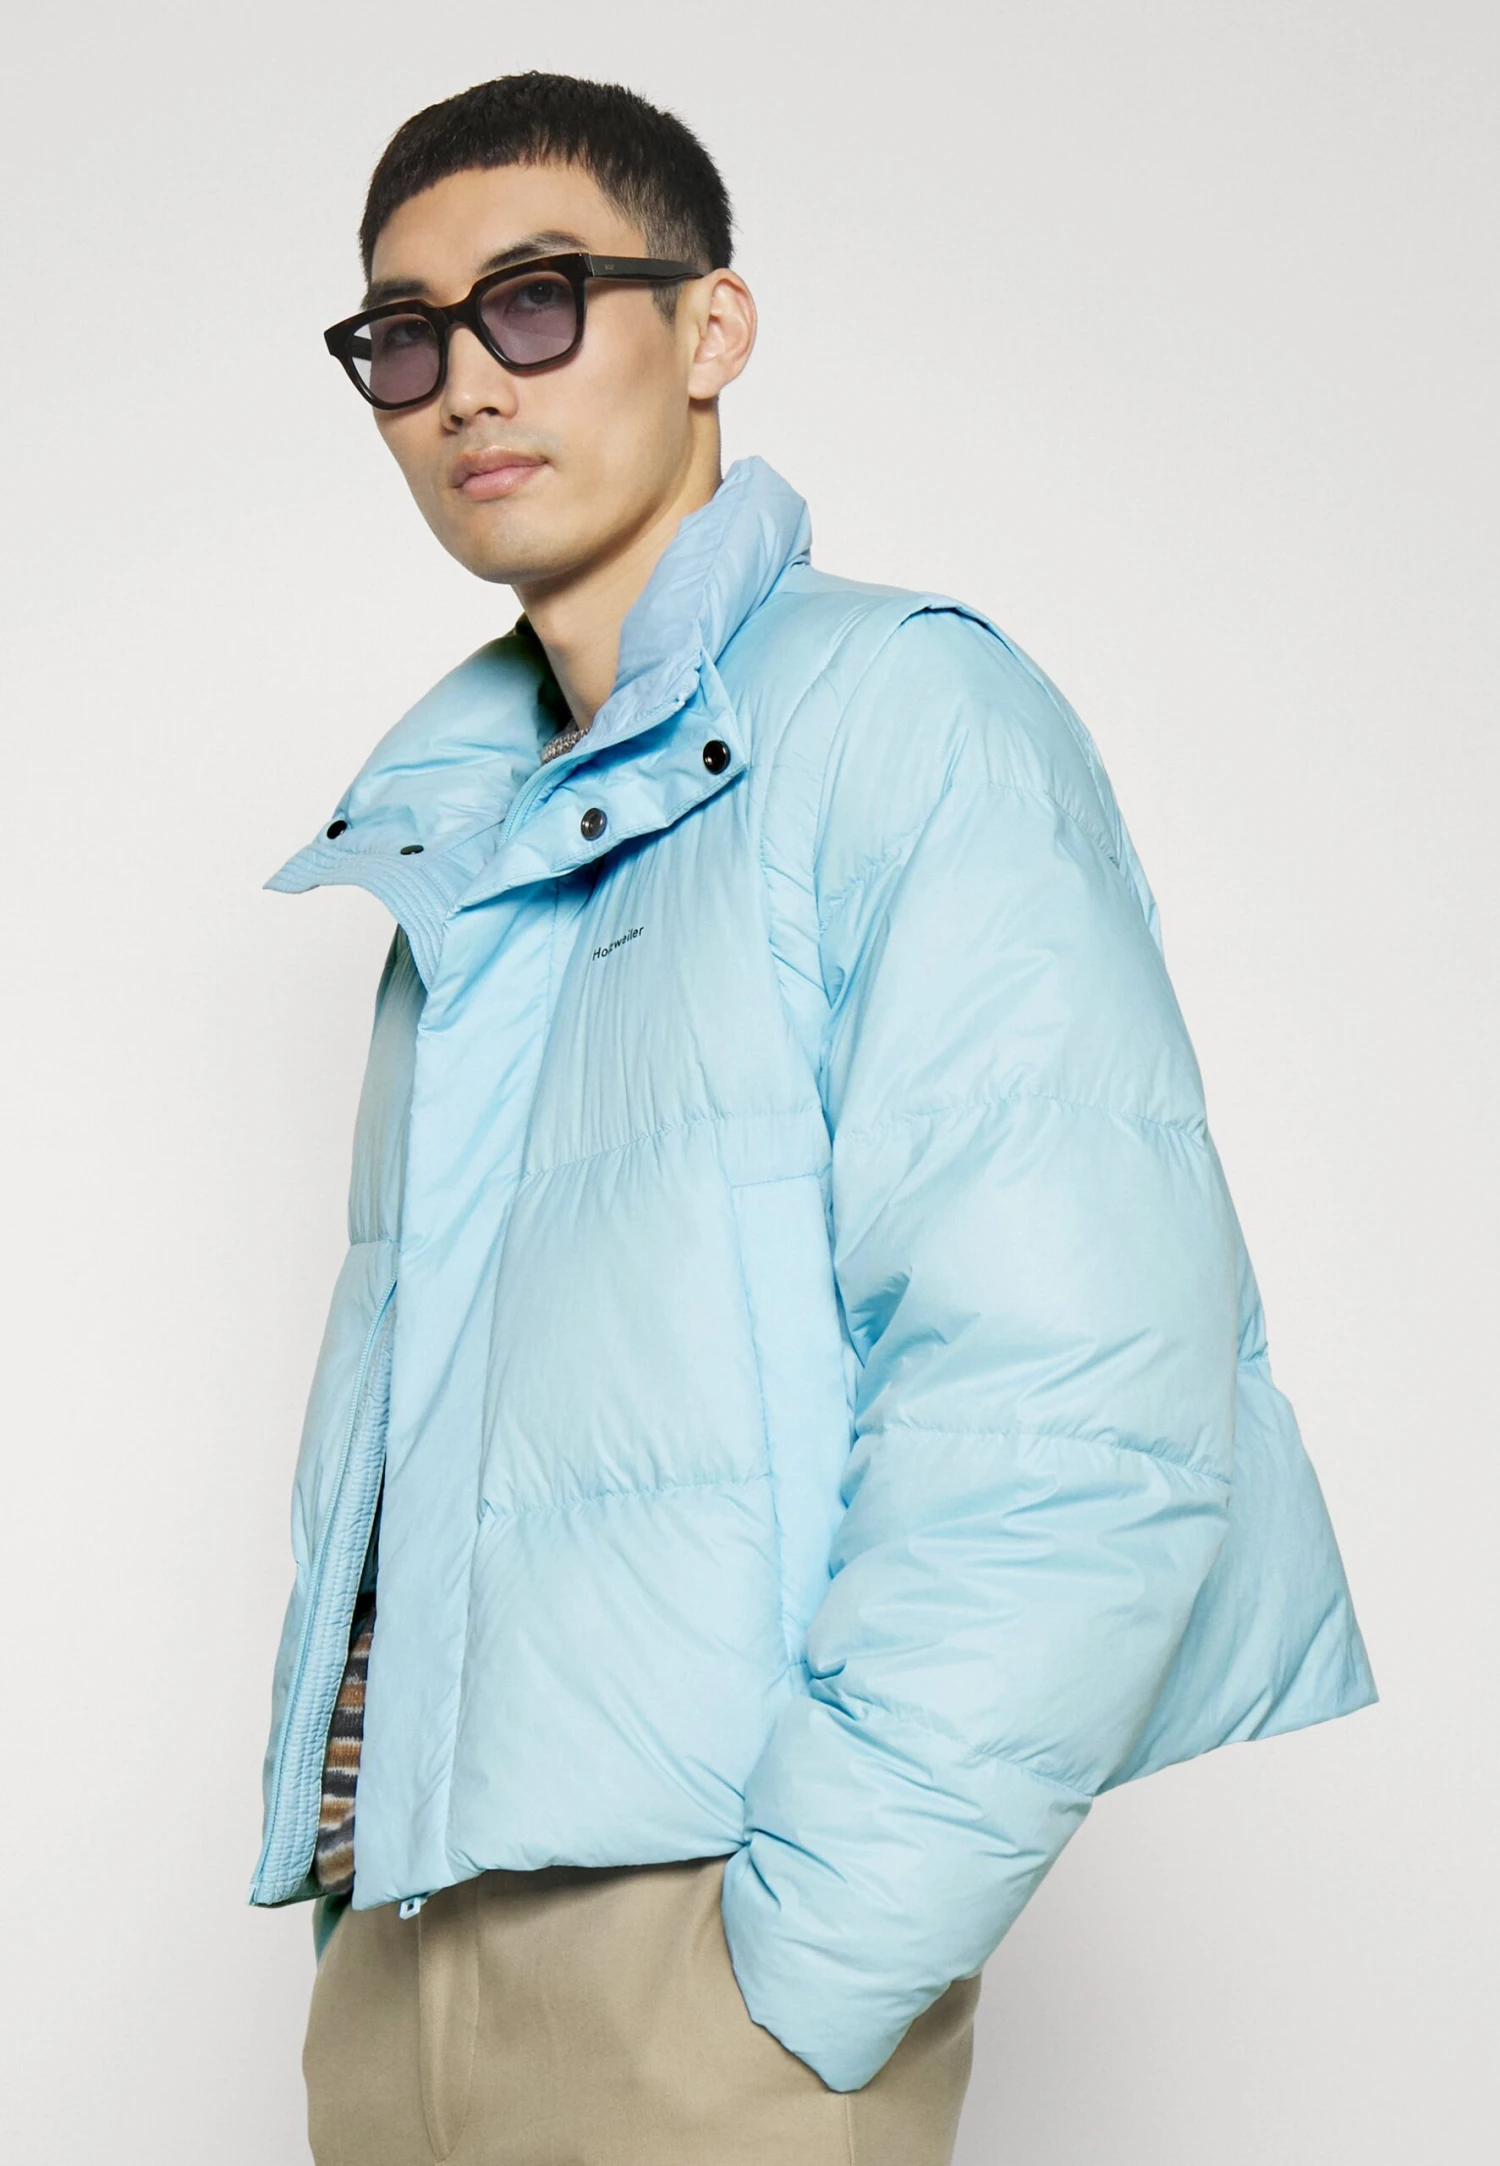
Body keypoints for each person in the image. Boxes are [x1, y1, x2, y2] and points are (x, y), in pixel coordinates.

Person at [250, 68, 1377, 2166]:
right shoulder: (446, 841)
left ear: (713, 327)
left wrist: (816, 1958)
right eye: (403, 335)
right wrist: (361, 1893)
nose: (464, 382)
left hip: (708, 1974)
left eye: (536, 301)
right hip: (405, 1948)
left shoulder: (905, 718)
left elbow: (1081, 1400)